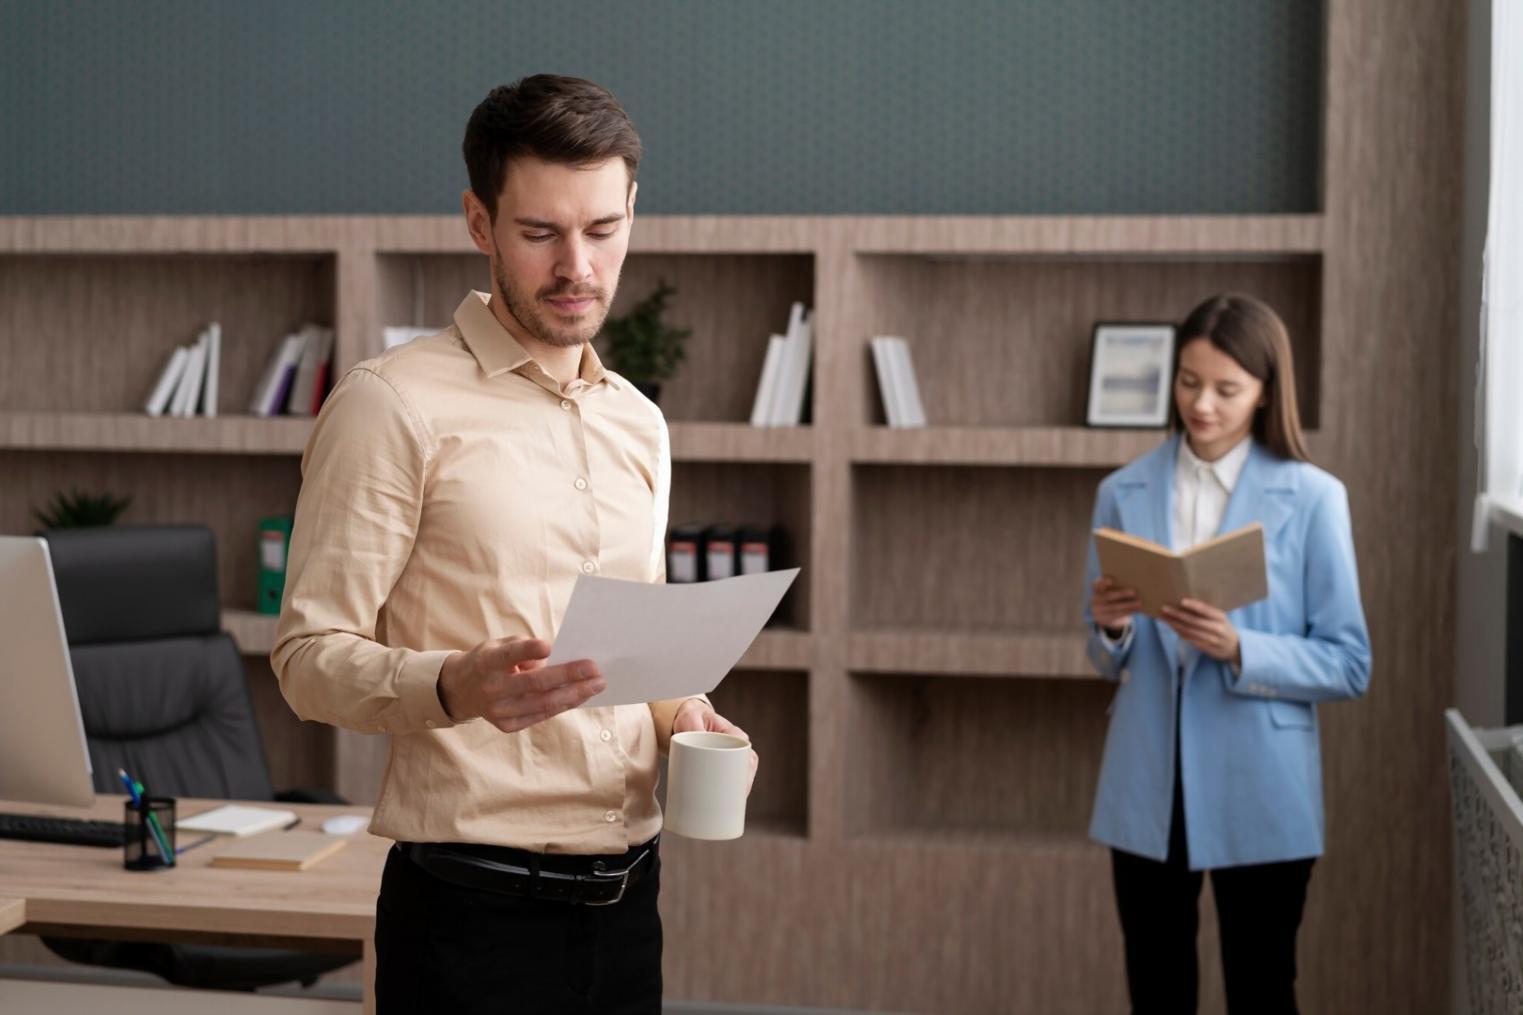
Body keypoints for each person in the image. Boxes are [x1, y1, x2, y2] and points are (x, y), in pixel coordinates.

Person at [273, 74, 757, 1014]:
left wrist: (687, 714)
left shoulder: (639, 421)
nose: (577, 265)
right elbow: (305, 659)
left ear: (631, 213)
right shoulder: (389, 405)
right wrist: (455, 685)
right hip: (470, 918)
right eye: (540, 232)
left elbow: (634, 650)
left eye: (602, 229)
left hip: (629, 907)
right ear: (479, 223)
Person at [1083, 293, 1371, 1014]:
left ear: (1265, 391)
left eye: (1225, 388)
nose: (1201, 404)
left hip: (1261, 778)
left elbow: (1348, 662)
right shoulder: (1121, 491)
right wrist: (1111, 628)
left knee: (1262, 989)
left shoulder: (1314, 498)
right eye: (1188, 382)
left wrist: (1242, 648)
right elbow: (1104, 658)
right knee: (1156, 990)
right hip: (1149, 777)